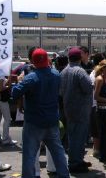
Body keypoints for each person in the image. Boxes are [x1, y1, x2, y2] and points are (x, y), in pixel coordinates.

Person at [12, 48, 69, 177]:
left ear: (32, 61)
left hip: (34, 122)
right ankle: (64, 175)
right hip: (52, 120)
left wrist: (19, 81)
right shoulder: (56, 75)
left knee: (29, 155)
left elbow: (15, 93)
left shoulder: (31, 78)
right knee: (58, 152)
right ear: (48, 60)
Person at [60, 47, 94, 173]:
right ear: (80, 58)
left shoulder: (64, 71)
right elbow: (88, 88)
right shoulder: (80, 71)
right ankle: (75, 163)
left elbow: (60, 91)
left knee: (73, 136)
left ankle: (77, 159)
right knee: (78, 137)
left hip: (68, 107)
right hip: (80, 109)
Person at [0, 76, 17, 145]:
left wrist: (8, 81)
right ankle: (5, 139)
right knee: (7, 119)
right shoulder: (0, 75)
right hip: (2, 100)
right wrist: (9, 86)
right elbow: (0, 89)